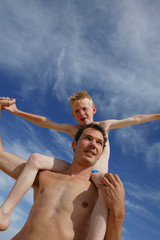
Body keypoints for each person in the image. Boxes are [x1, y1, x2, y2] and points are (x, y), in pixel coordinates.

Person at [0, 92, 160, 239]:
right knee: (35, 159)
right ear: (74, 143)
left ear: (93, 109)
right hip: (75, 168)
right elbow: (44, 122)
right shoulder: (74, 129)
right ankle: (5, 212)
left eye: (84, 109)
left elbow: (135, 119)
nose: (81, 113)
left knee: (105, 190)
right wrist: (16, 111)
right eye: (77, 111)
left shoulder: (105, 125)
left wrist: (157, 116)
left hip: (98, 174)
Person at [0, 117, 125, 239]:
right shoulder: (44, 175)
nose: (93, 144)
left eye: (99, 143)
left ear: (100, 155)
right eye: (88, 138)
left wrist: (118, 211)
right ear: (74, 144)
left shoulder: (101, 192)